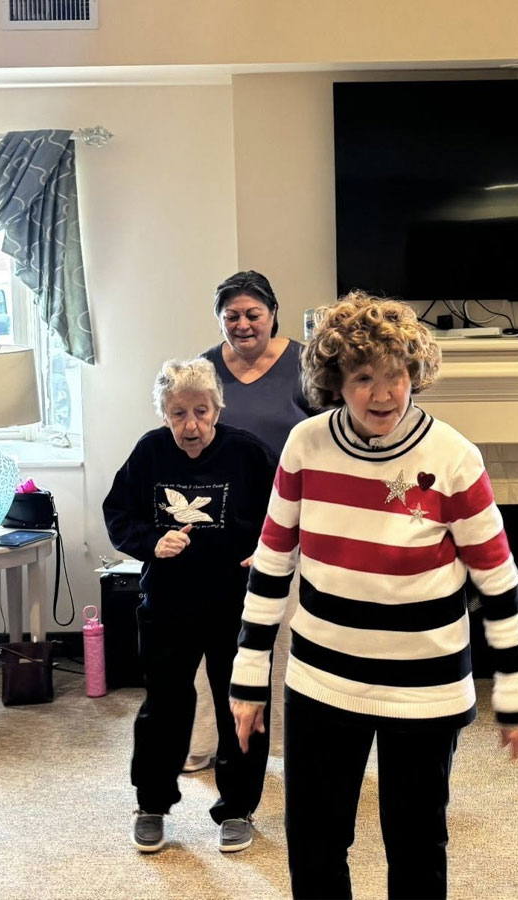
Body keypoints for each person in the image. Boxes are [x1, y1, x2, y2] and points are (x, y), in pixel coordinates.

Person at [229, 291, 518, 900]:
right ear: (335, 381)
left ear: (414, 374)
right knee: (314, 842)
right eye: (363, 377)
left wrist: (516, 684)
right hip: (321, 679)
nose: (383, 394)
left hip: (425, 687)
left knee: (416, 845)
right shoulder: (305, 445)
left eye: (396, 375)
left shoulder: (454, 456)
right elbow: (272, 561)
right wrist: (248, 674)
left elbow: (497, 576)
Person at [102, 357, 274, 854]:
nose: (191, 425)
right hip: (168, 603)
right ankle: (152, 804)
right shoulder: (149, 452)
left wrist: (268, 549)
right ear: (164, 414)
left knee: (241, 705)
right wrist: (152, 543)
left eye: (201, 411)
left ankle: (237, 808)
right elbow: (118, 513)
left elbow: (287, 510)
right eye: (178, 414)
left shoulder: (246, 453)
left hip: (235, 606)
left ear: (217, 408)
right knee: (164, 706)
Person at [184, 270, 312, 772]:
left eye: (253, 314)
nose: (242, 324)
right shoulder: (203, 369)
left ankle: (281, 746)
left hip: (292, 520)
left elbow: (330, 435)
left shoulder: (306, 363)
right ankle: (203, 741)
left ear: (272, 313)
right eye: (231, 315)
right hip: (220, 524)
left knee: (283, 636)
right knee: (212, 637)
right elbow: (185, 434)